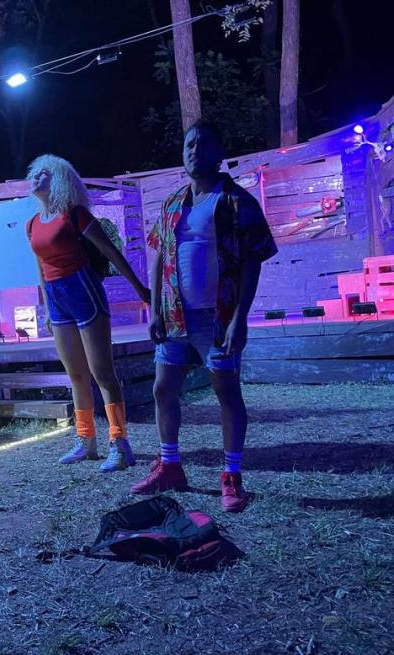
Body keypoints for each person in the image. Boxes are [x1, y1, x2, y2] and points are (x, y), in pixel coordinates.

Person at [131, 120, 278, 512]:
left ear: (219, 153)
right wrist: (156, 308)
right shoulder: (171, 204)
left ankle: (232, 476)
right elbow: (160, 254)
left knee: (226, 393)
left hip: (218, 317)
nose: (193, 150)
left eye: (202, 144)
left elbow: (253, 261)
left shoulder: (236, 202)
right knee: (163, 389)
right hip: (176, 317)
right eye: (188, 144)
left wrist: (239, 318)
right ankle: (170, 466)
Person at [25, 154, 151, 472]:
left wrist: (140, 290)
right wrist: (44, 310)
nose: (36, 177)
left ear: (61, 179)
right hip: (58, 302)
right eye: (34, 173)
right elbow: (40, 267)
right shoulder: (32, 223)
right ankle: (85, 440)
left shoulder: (75, 214)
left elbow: (109, 250)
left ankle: (120, 443)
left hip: (85, 293)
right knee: (76, 375)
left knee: (103, 373)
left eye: (44, 173)